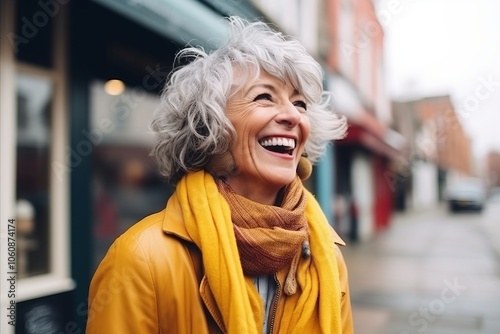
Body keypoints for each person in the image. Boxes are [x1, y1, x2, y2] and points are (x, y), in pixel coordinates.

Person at [86, 16, 353, 334]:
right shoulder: (141, 259)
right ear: (208, 127)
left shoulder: (326, 257)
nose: (293, 115)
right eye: (264, 97)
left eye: (299, 103)